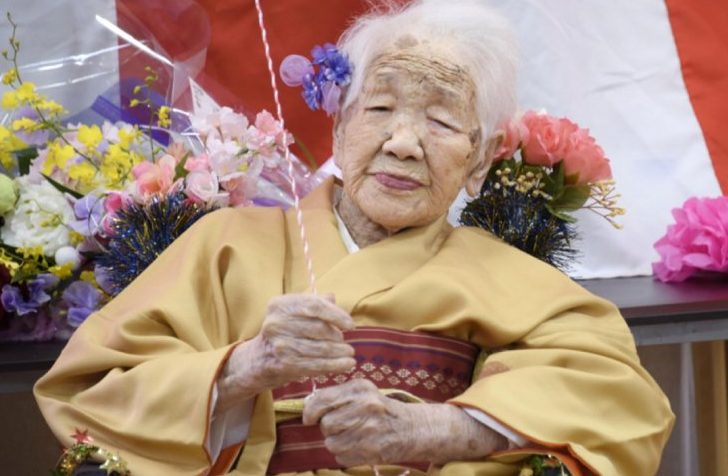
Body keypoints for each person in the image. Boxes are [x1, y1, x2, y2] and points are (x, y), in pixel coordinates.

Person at [34, 1, 674, 475]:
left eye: (441, 120)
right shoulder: (224, 246)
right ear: (340, 129)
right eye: (380, 109)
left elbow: (623, 403)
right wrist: (246, 367)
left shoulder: (512, 277)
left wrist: (438, 427)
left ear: (479, 161)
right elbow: (89, 396)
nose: (403, 142)